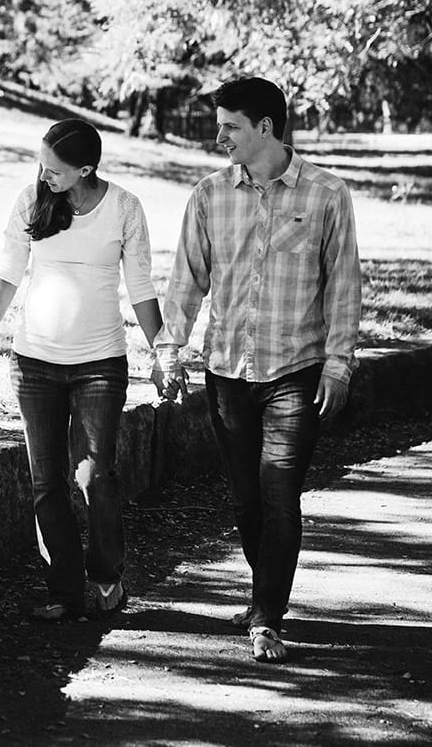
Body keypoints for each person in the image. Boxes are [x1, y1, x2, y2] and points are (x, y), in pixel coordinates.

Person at [155, 77, 362, 662]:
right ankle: (264, 593)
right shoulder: (209, 195)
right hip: (227, 371)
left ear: (264, 128)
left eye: (230, 127)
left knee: (279, 495)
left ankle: (268, 616)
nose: (219, 136)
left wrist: (340, 365)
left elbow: (344, 285)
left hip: (296, 369)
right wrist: (170, 349)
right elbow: (187, 281)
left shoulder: (326, 194)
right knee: (245, 501)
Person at [0, 118, 166, 621]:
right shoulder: (32, 200)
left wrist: (163, 351)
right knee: (46, 481)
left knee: (95, 475)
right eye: (41, 164)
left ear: (86, 169)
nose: (44, 174)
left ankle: (105, 579)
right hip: (35, 364)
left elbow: (141, 287)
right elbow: (9, 273)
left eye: (54, 169)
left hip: (99, 363)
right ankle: (63, 591)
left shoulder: (124, 207)